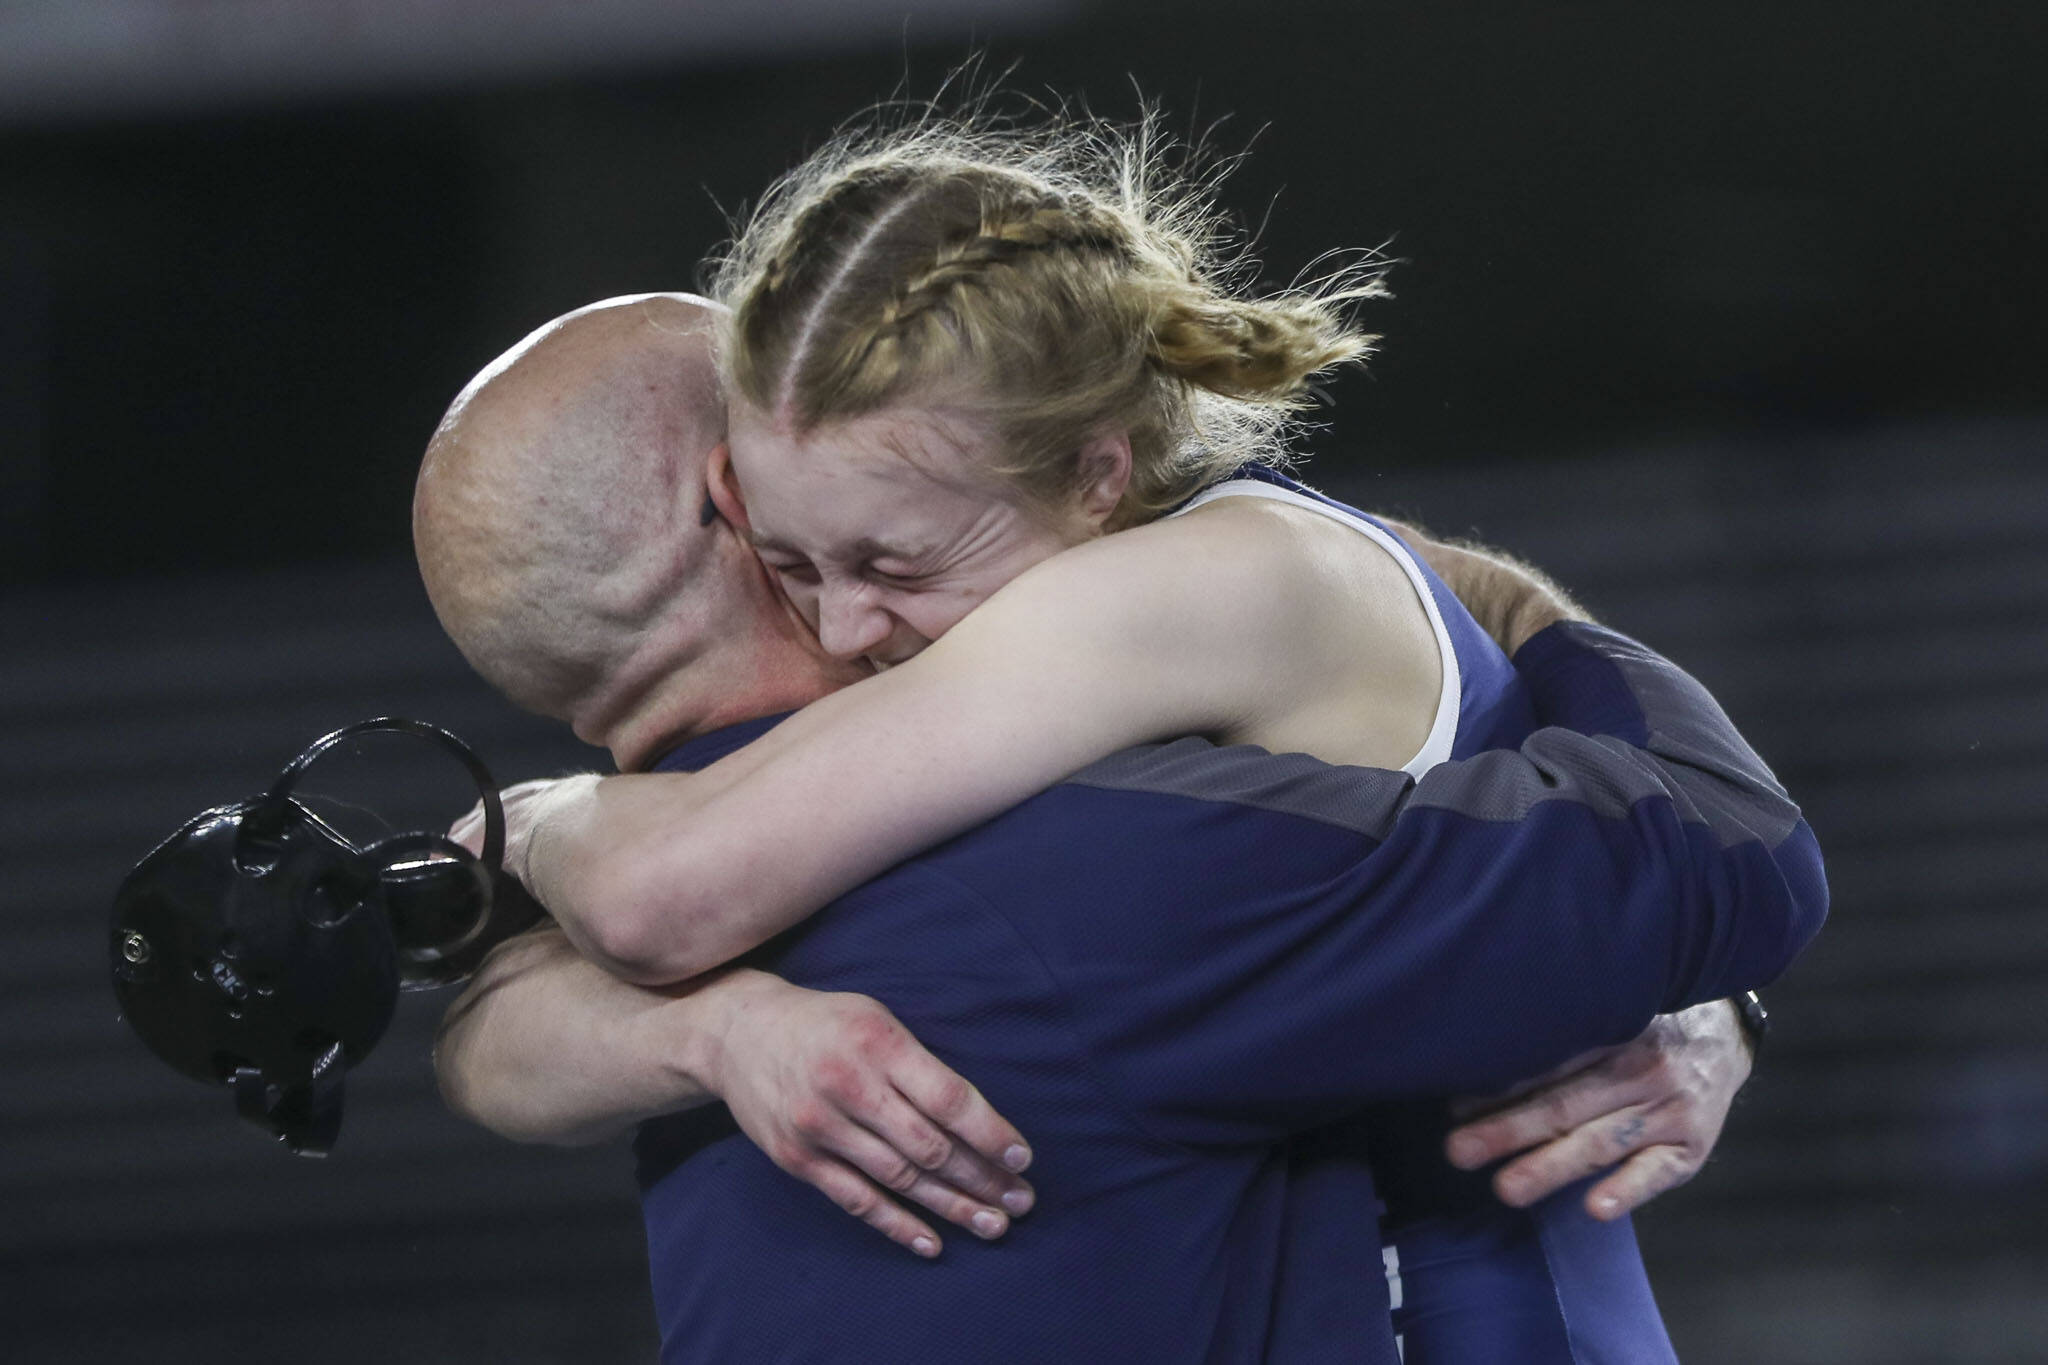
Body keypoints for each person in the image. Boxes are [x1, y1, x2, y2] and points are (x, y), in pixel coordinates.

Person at [422, 291, 1823, 1361]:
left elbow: (483, 1024)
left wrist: (666, 983)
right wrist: (1699, 983)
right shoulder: (1104, 863)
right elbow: (1716, 853)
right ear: (750, 490)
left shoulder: (616, 947)